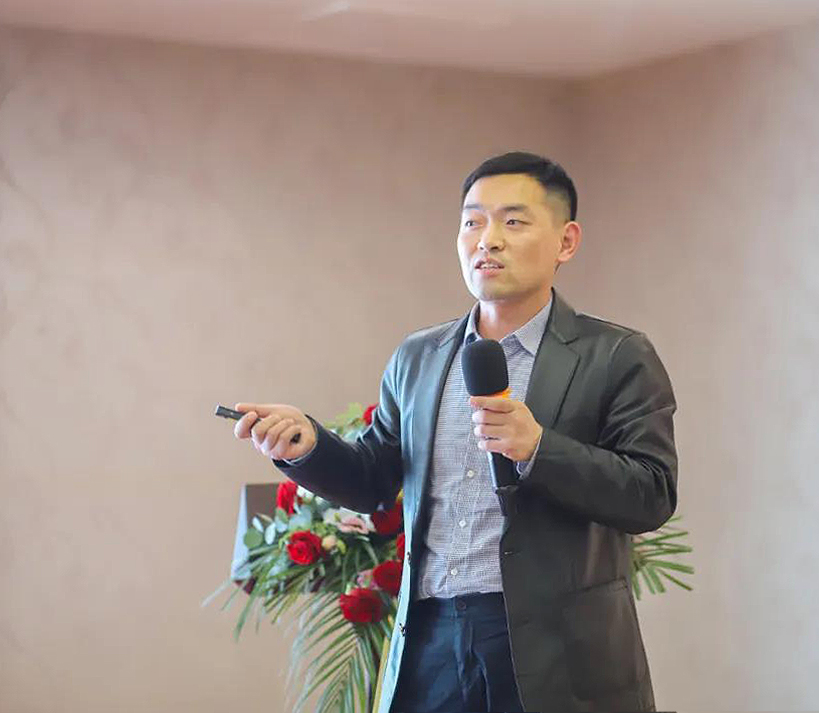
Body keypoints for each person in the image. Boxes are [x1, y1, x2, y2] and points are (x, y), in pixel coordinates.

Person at [234, 151, 678, 713]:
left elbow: (651, 493)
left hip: (560, 652)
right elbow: (373, 481)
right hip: (432, 639)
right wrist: (308, 448)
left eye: (513, 221)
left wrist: (539, 448)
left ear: (565, 242)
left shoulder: (615, 355)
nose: (487, 240)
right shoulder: (419, 356)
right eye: (472, 222)